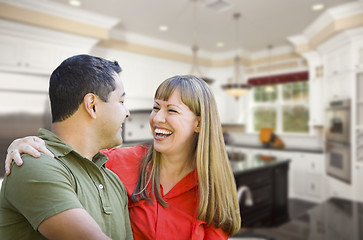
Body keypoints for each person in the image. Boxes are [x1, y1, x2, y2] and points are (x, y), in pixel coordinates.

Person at [5, 75, 241, 239]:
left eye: (172, 110)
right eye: (156, 107)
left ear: (199, 123)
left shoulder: (211, 191)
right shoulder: (118, 161)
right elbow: (71, 153)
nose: (157, 119)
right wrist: (26, 142)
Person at [0, 54, 133, 240]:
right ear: (92, 105)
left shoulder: (112, 181)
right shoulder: (33, 163)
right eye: (121, 101)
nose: (127, 113)